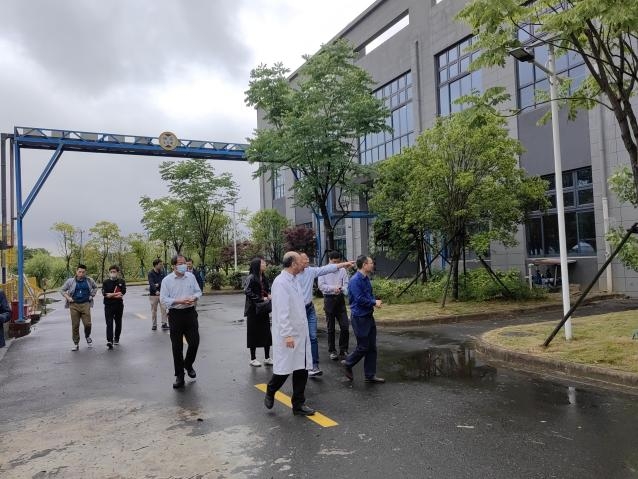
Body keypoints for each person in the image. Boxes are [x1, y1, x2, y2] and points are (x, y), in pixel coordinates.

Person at [263, 251, 315, 416]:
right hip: (289, 334)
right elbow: (282, 312)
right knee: (284, 370)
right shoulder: (281, 283)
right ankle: (271, 390)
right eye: (300, 262)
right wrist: (287, 334)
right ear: (293, 264)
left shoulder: (295, 280)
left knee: (301, 369)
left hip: (301, 333)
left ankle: (298, 405)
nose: (303, 264)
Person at [297, 252, 354, 377]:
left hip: (317, 306)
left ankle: (316, 365)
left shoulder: (311, 271)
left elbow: (332, 273)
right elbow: (322, 285)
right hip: (309, 306)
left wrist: (344, 265)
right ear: (297, 261)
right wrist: (333, 288)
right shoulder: (292, 275)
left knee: (316, 336)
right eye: (305, 259)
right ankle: (327, 352)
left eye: (308, 258)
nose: (308, 261)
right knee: (327, 328)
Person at [160, 254, 202, 389]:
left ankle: (188, 364)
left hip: (190, 313)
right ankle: (179, 375)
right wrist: (179, 301)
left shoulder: (191, 276)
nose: (184, 265)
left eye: (184, 263)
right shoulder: (167, 280)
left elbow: (198, 291)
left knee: (194, 342)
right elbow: (163, 299)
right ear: (173, 266)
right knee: (177, 347)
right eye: (180, 263)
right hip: (175, 315)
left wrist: (194, 298)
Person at [343, 255, 385, 383]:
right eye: (371, 263)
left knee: (372, 347)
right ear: (364, 265)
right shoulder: (355, 280)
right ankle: (348, 363)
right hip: (359, 317)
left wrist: (373, 301)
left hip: (368, 315)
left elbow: (367, 295)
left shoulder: (366, 278)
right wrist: (374, 302)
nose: (373, 265)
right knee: (363, 346)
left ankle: (370, 375)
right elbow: (359, 299)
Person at [317, 250, 350, 361]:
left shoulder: (342, 270)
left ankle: (343, 349)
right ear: (329, 260)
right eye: (334, 262)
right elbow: (321, 286)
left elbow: (346, 284)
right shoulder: (323, 270)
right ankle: (332, 350)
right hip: (329, 299)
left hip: (340, 299)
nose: (336, 264)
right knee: (330, 328)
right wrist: (333, 288)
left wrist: (342, 289)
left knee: (345, 326)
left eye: (338, 262)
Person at [61, 264, 98, 351]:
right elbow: (62, 290)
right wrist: (68, 298)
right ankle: (76, 343)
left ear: (85, 272)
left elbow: (95, 287)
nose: (81, 274)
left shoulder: (89, 280)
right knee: (75, 325)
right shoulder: (70, 281)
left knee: (88, 324)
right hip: (74, 305)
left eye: (83, 272)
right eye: (79, 272)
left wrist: (92, 295)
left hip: (85, 304)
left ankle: (87, 336)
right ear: (76, 271)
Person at [244, 257, 273, 367]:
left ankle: (267, 357)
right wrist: (260, 298)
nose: (265, 264)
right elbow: (247, 291)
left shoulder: (264, 277)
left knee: (266, 332)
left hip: (263, 309)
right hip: (253, 310)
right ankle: (253, 359)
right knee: (253, 334)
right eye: (263, 263)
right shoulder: (251, 277)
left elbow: (266, 290)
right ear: (257, 265)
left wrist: (268, 295)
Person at [101, 264, 126, 350]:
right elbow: (105, 294)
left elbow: (122, 292)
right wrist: (116, 294)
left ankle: (117, 338)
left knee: (118, 322)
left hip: (118, 305)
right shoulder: (106, 282)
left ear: (118, 272)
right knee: (109, 323)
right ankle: (109, 340)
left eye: (114, 272)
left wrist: (111, 294)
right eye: (111, 272)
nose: (112, 273)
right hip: (108, 305)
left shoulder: (121, 281)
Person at [148, 258, 168, 331]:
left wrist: (158, 284)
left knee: (164, 309)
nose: (161, 265)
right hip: (153, 294)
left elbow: (164, 281)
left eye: (161, 264)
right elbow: (151, 283)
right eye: (160, 264)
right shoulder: (150, 273)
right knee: (154, 310)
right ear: (156, 265)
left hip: (162, 294)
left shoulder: (162, 272)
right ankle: (154, 325)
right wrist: (156, 290)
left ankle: (164, 323)